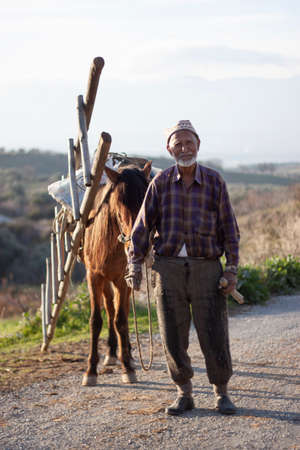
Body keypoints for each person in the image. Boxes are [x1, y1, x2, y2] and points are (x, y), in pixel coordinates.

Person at [126, 120, 240, 416]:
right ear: (169, 149)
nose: (184, 149)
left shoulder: (215, 182)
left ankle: (221, 393)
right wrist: (134, 264)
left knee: (213, 332)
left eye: (189, 143)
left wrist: (231, 270)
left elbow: (230, 229)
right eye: (178, 144)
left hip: (207, 270)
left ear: (198, 145)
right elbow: (141, 229)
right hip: (169, 270)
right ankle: (183, 393)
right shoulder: (160, 183)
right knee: (172, 335)